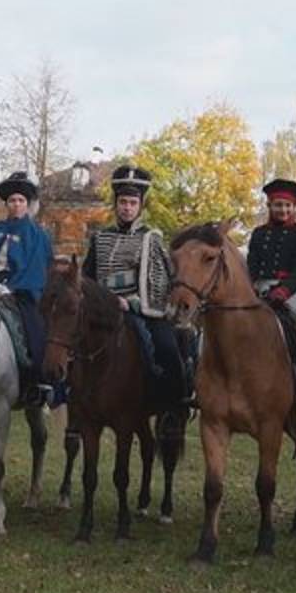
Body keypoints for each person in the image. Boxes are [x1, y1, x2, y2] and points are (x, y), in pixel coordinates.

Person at [81, 164, 188, 410]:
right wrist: (102, 301)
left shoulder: (152, 238)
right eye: (123, 202)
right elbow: (87, 277)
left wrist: (132, 303)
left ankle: (172, 409)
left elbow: (160, 282)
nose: (127, 208)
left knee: (167, 348)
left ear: (140, 206)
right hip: (101, 309)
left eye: (132, 203)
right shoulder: (100, 238)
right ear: (116, 205)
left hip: (142, 308)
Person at [0, 171, 54, 405]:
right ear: (6, 204)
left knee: (34, 329)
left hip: (21, 293)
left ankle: (37, 380)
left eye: (20, 200)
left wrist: (11, 289)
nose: (16, 205)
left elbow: (37, 270)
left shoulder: (38, 235)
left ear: (28, 204)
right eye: (12, 201)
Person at [247, 179, 296, 328]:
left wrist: (284, 290)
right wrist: (249, 287)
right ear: (269, 206)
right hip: (259, 288)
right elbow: (252, 265)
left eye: (287, 205)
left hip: (292, 291)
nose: (283, 210)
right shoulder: (259, 233)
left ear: (294, 207)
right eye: (278, 205)